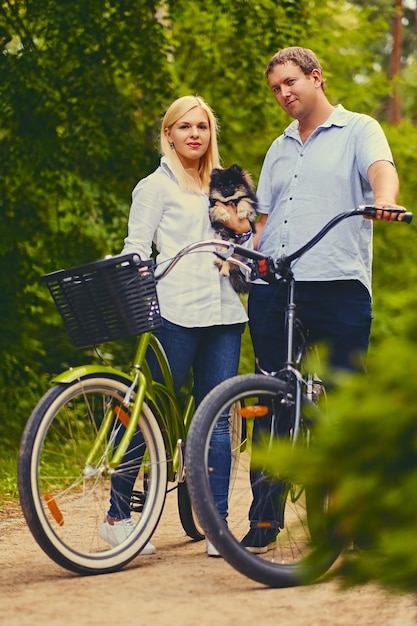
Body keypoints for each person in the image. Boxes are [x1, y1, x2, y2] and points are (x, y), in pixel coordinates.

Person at [243, 46, 406, 553]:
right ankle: (264, 520)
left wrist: (384, 200)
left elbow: (381, 170)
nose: (283, 93)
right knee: (272, 399)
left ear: (316, 78)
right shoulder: (279, 147)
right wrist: (244, 254)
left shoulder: (358, 129)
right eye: (275, 88)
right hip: (278, 285)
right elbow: (264, 219)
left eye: (291, 82)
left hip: (337, 282)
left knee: (346, 398)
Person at [99, 95, 253, 557]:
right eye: (184, 127)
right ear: (168, 134)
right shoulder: (154, 187)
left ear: (211, 135)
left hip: (225, 313)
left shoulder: (228, 183)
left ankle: (216, 525)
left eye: (202, 127)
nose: (194, 134)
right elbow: (135, 247)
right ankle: (118, 517)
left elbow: (248, 238)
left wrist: (240, 240)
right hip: (174, 312)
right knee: (148, 416)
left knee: (217, 422)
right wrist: (130, 270)